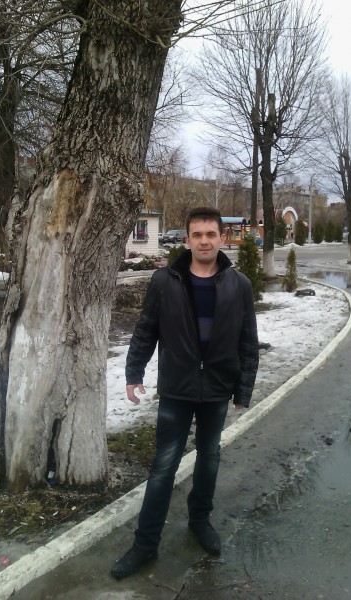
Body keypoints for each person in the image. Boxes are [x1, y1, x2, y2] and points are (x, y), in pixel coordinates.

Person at [111, 206, 259, 579]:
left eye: (211, 234)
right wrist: (133, 372)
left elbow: (248, 341)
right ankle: (145, 544)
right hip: (176, 388)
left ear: (221, 238)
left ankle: (199, 520)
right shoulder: (166, 281)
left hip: (217, 389)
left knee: (209, 457)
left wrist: (243, 389)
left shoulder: (239, 285)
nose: (204, 241)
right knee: (164, 466)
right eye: (198, 235)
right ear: (188, 239)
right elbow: (146, 328)